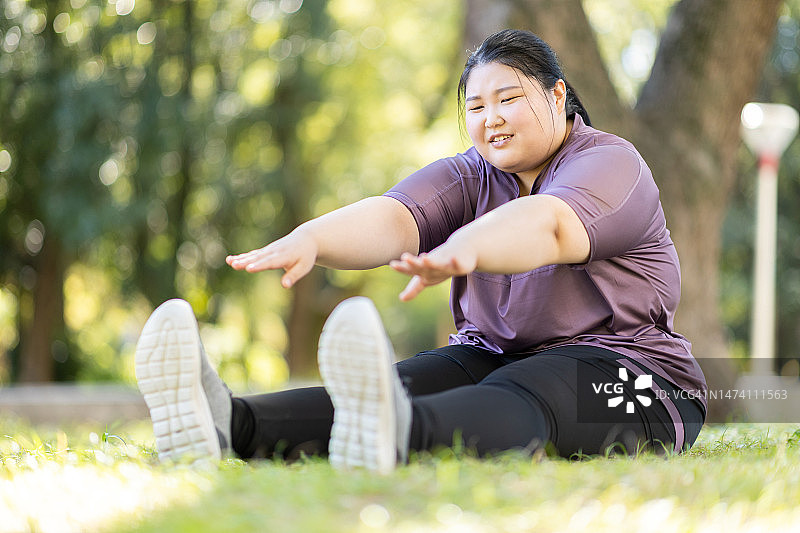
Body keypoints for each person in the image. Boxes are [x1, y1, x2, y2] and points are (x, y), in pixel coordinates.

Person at [134, 29, 707, 473]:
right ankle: (228, 423)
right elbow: (395, 217)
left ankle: (401, 434)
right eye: (477, 107)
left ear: (558, 96)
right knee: (399, 383)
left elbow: (552, 224)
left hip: (636, 377)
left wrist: (464, 250)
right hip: (497, 352)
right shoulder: (471, 174)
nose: (491, 119)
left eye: (508, 98)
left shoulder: (609, 163)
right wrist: (312, 238)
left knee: (529, 391)